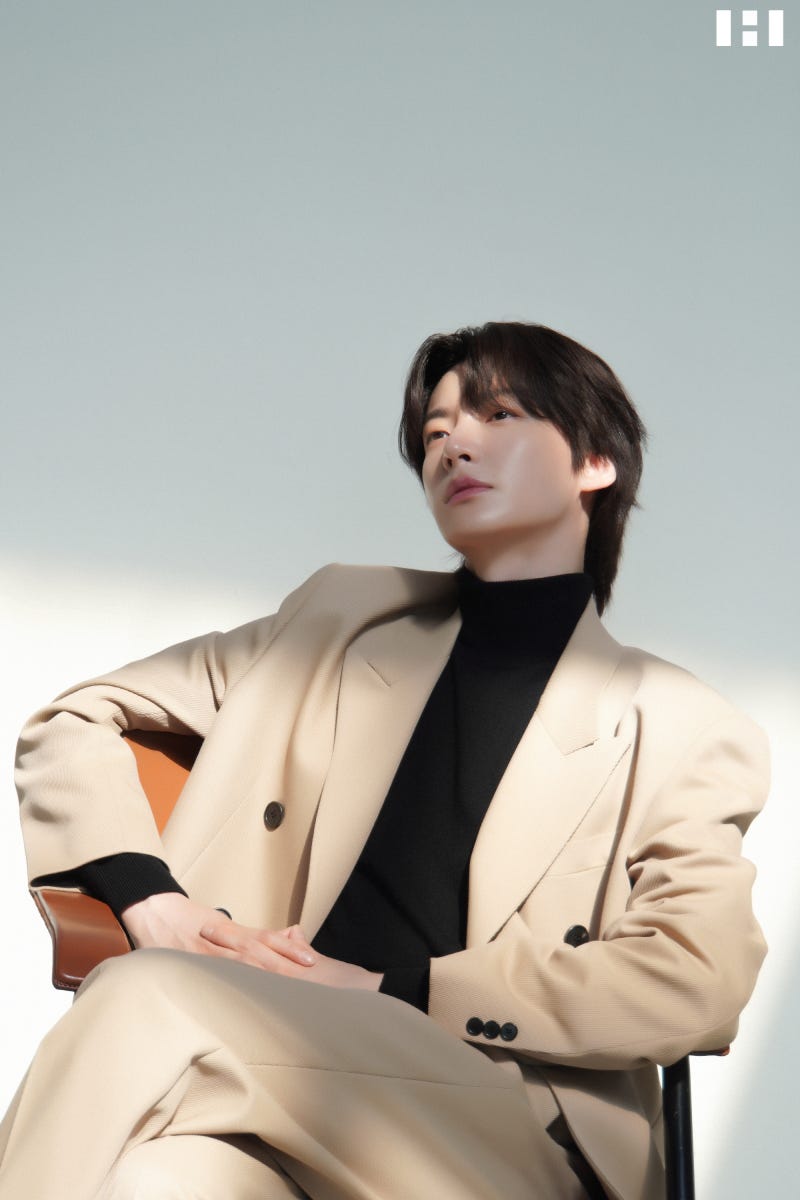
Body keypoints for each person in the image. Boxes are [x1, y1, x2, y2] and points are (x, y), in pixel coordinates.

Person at [0, 322, 768, 1200]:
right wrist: (152, 899)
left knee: (146, 997)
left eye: (498, 415)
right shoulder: (340, 618)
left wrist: (391, 987)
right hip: (274, 1080)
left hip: (493, 1119)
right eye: (436, 431)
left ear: (595, 462)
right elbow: (75, 720)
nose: (454, 446)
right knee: (152, 1177)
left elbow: (695, 977)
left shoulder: (678, 722)